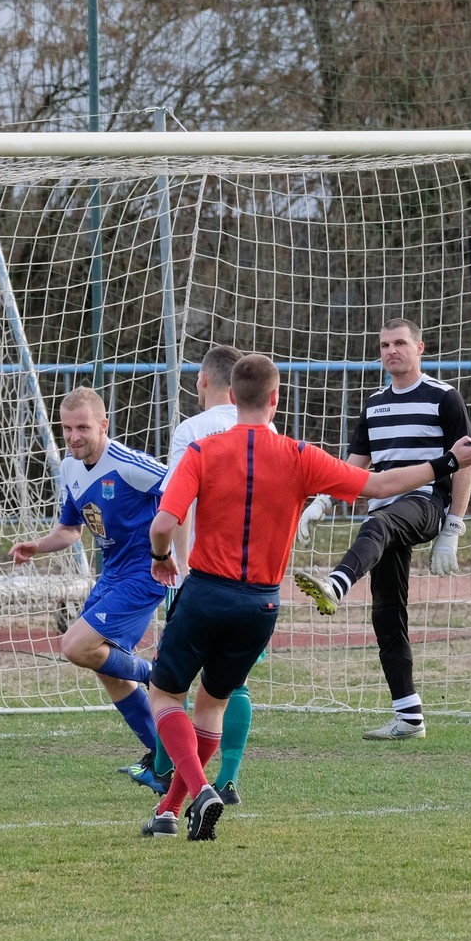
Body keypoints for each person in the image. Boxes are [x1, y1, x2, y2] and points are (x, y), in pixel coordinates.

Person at [141, 354, 471, 840]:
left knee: (165, 695)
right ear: (276, 399)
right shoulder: (300, 455)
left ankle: (199, 788)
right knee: (212, 705)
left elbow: (163, 524)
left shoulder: (202, 451)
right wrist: (448, 462)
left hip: (205, 592)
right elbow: (380, 484)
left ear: (231, 397)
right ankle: (169, 811)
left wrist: (162, 556)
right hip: (261, 604)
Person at [292, 318, 471, 741]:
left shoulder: (444, 397)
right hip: (385, 513)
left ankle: (336, 584)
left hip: (425, 503)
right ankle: (409, 716)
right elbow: (354, 467)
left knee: (377, 522)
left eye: (399, 343)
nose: (391, 351)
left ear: (419, 348)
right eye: (384, 345)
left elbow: (465, 463)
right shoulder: (374, 404)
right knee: (386, 614)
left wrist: (453, 527)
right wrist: (322, 501)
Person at [10, 386, 167, 789]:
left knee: (75, 646)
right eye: (67, 428)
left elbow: (183, 492)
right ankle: (164, 763)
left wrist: (170, 553)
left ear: (103, 425)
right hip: (112, 575)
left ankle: (157, 674)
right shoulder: (70, 468)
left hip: (144, 573)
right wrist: (38, 546)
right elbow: (70, 529)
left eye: (82, 427)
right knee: (105, 667)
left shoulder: (129, 464)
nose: (74, 436)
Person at [126, 344, 258, 805]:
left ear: (202, 381)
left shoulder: (193, 429)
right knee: (230, 683)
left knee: (171, 684)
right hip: (253, 579)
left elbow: (176, 506)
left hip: (201, 576)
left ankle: (168, 773)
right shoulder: (264, 429)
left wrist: (176, 566)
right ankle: (229, 779)